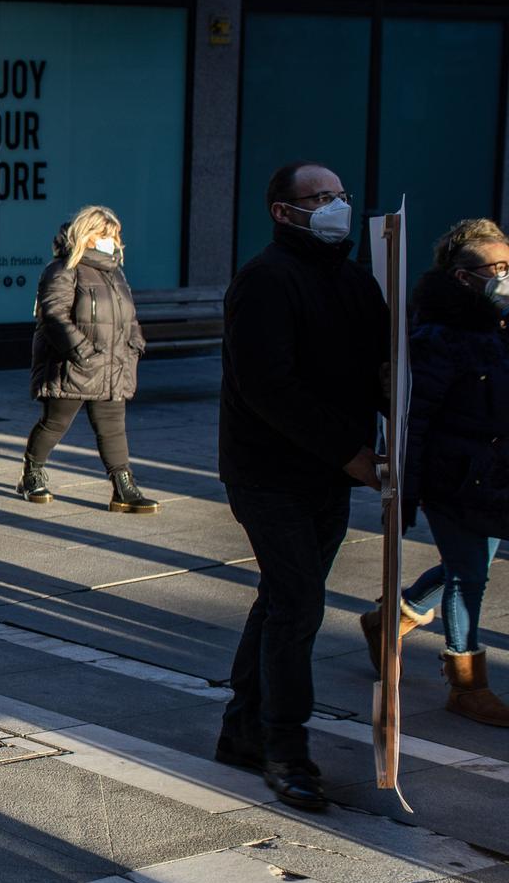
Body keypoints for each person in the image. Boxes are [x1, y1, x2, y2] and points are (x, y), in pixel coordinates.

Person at [217, 161, 386, 812]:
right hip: (269, 474)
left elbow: (377, 369)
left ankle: (242, 729)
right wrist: (352, 454)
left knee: (283, 598)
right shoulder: (264, 281)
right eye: (318, 198)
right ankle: (285, 747)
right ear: (283, 211)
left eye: (339, 196)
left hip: (325, 475)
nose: (334, 206)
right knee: (299, 602)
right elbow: (268, 388)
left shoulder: (355, 283)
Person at [355, 220, 509, 728]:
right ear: (466, 277)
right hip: (455, 475)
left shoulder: (500, 324)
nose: (507, 277)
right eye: (500, 269)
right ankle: (467, 683)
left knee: (467, 567)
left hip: (495, 474)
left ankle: (389, 620)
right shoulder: (438, 333)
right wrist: (405, 490)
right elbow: (413, 418)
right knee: (469, 576)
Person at [17, 205, 159, 513]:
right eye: (105, 234)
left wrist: (135, 343)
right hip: (74, 365)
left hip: (112, 365)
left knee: (113, 427)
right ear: (87, 234)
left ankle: (124, 488)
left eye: (115, 234)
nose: (113, 240)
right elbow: (54, 315)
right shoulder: (63, 269)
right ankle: (32, 473)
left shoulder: (114, 273)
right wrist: (81, 352)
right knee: (55, 423)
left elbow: (128, 316)